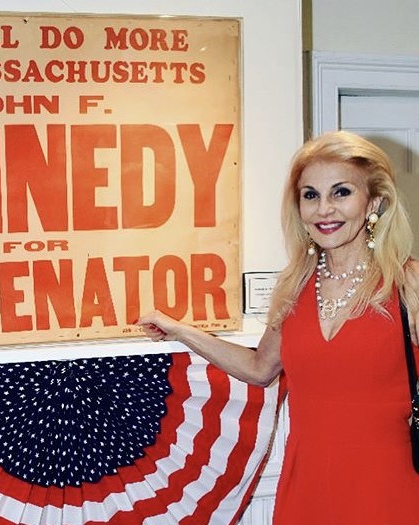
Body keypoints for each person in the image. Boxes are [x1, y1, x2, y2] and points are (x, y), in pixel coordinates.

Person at [138, 131, 419, 524]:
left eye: (341, 193)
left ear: (373, 202)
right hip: (307, 489)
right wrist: (180, 330)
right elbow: (260, 368)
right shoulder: (294, 287)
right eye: (310, 195)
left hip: (389, 490)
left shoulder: (408, 284)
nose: (324, 210)